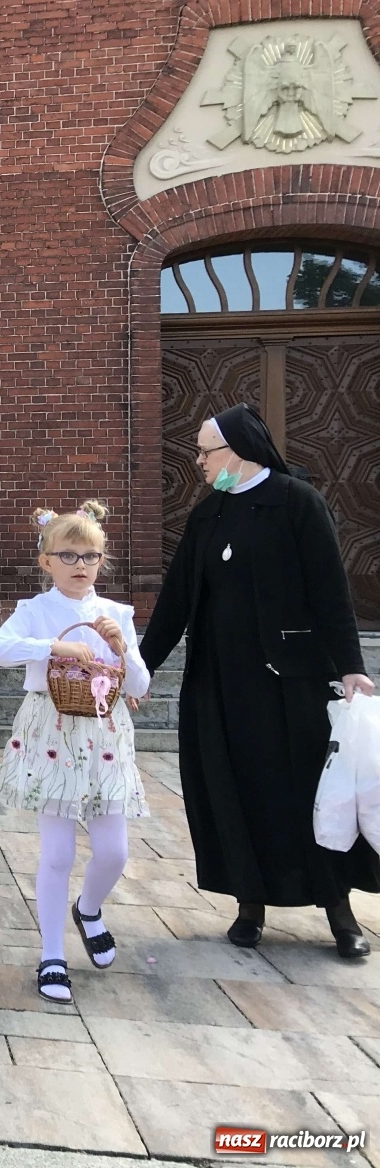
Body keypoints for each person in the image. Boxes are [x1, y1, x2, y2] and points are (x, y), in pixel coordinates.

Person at [141, 403, 378, 960]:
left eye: (206, 451)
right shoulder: (209, 514)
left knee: (309, 795)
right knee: (233, 791)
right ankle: (250, 907)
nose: (198, 461)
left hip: (291, 684)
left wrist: (351, 666)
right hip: (219, 686)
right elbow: (176, 600)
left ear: (239, 450)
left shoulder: (298, 503)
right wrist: (141, 666)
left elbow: (330, 591)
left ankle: (339, 912)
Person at [0, 502, 151, 1002]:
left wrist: (122, 649)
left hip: (104, 736)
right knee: (57, 853)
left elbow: (140, 683)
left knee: (114, 851)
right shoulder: (35, 611)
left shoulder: (117, 613)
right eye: (69, 555)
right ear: (47, 562)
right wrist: (52, 647)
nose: (81, 565)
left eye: (91, 556)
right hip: (51, 733)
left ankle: (91, 907)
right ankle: (51, 954)